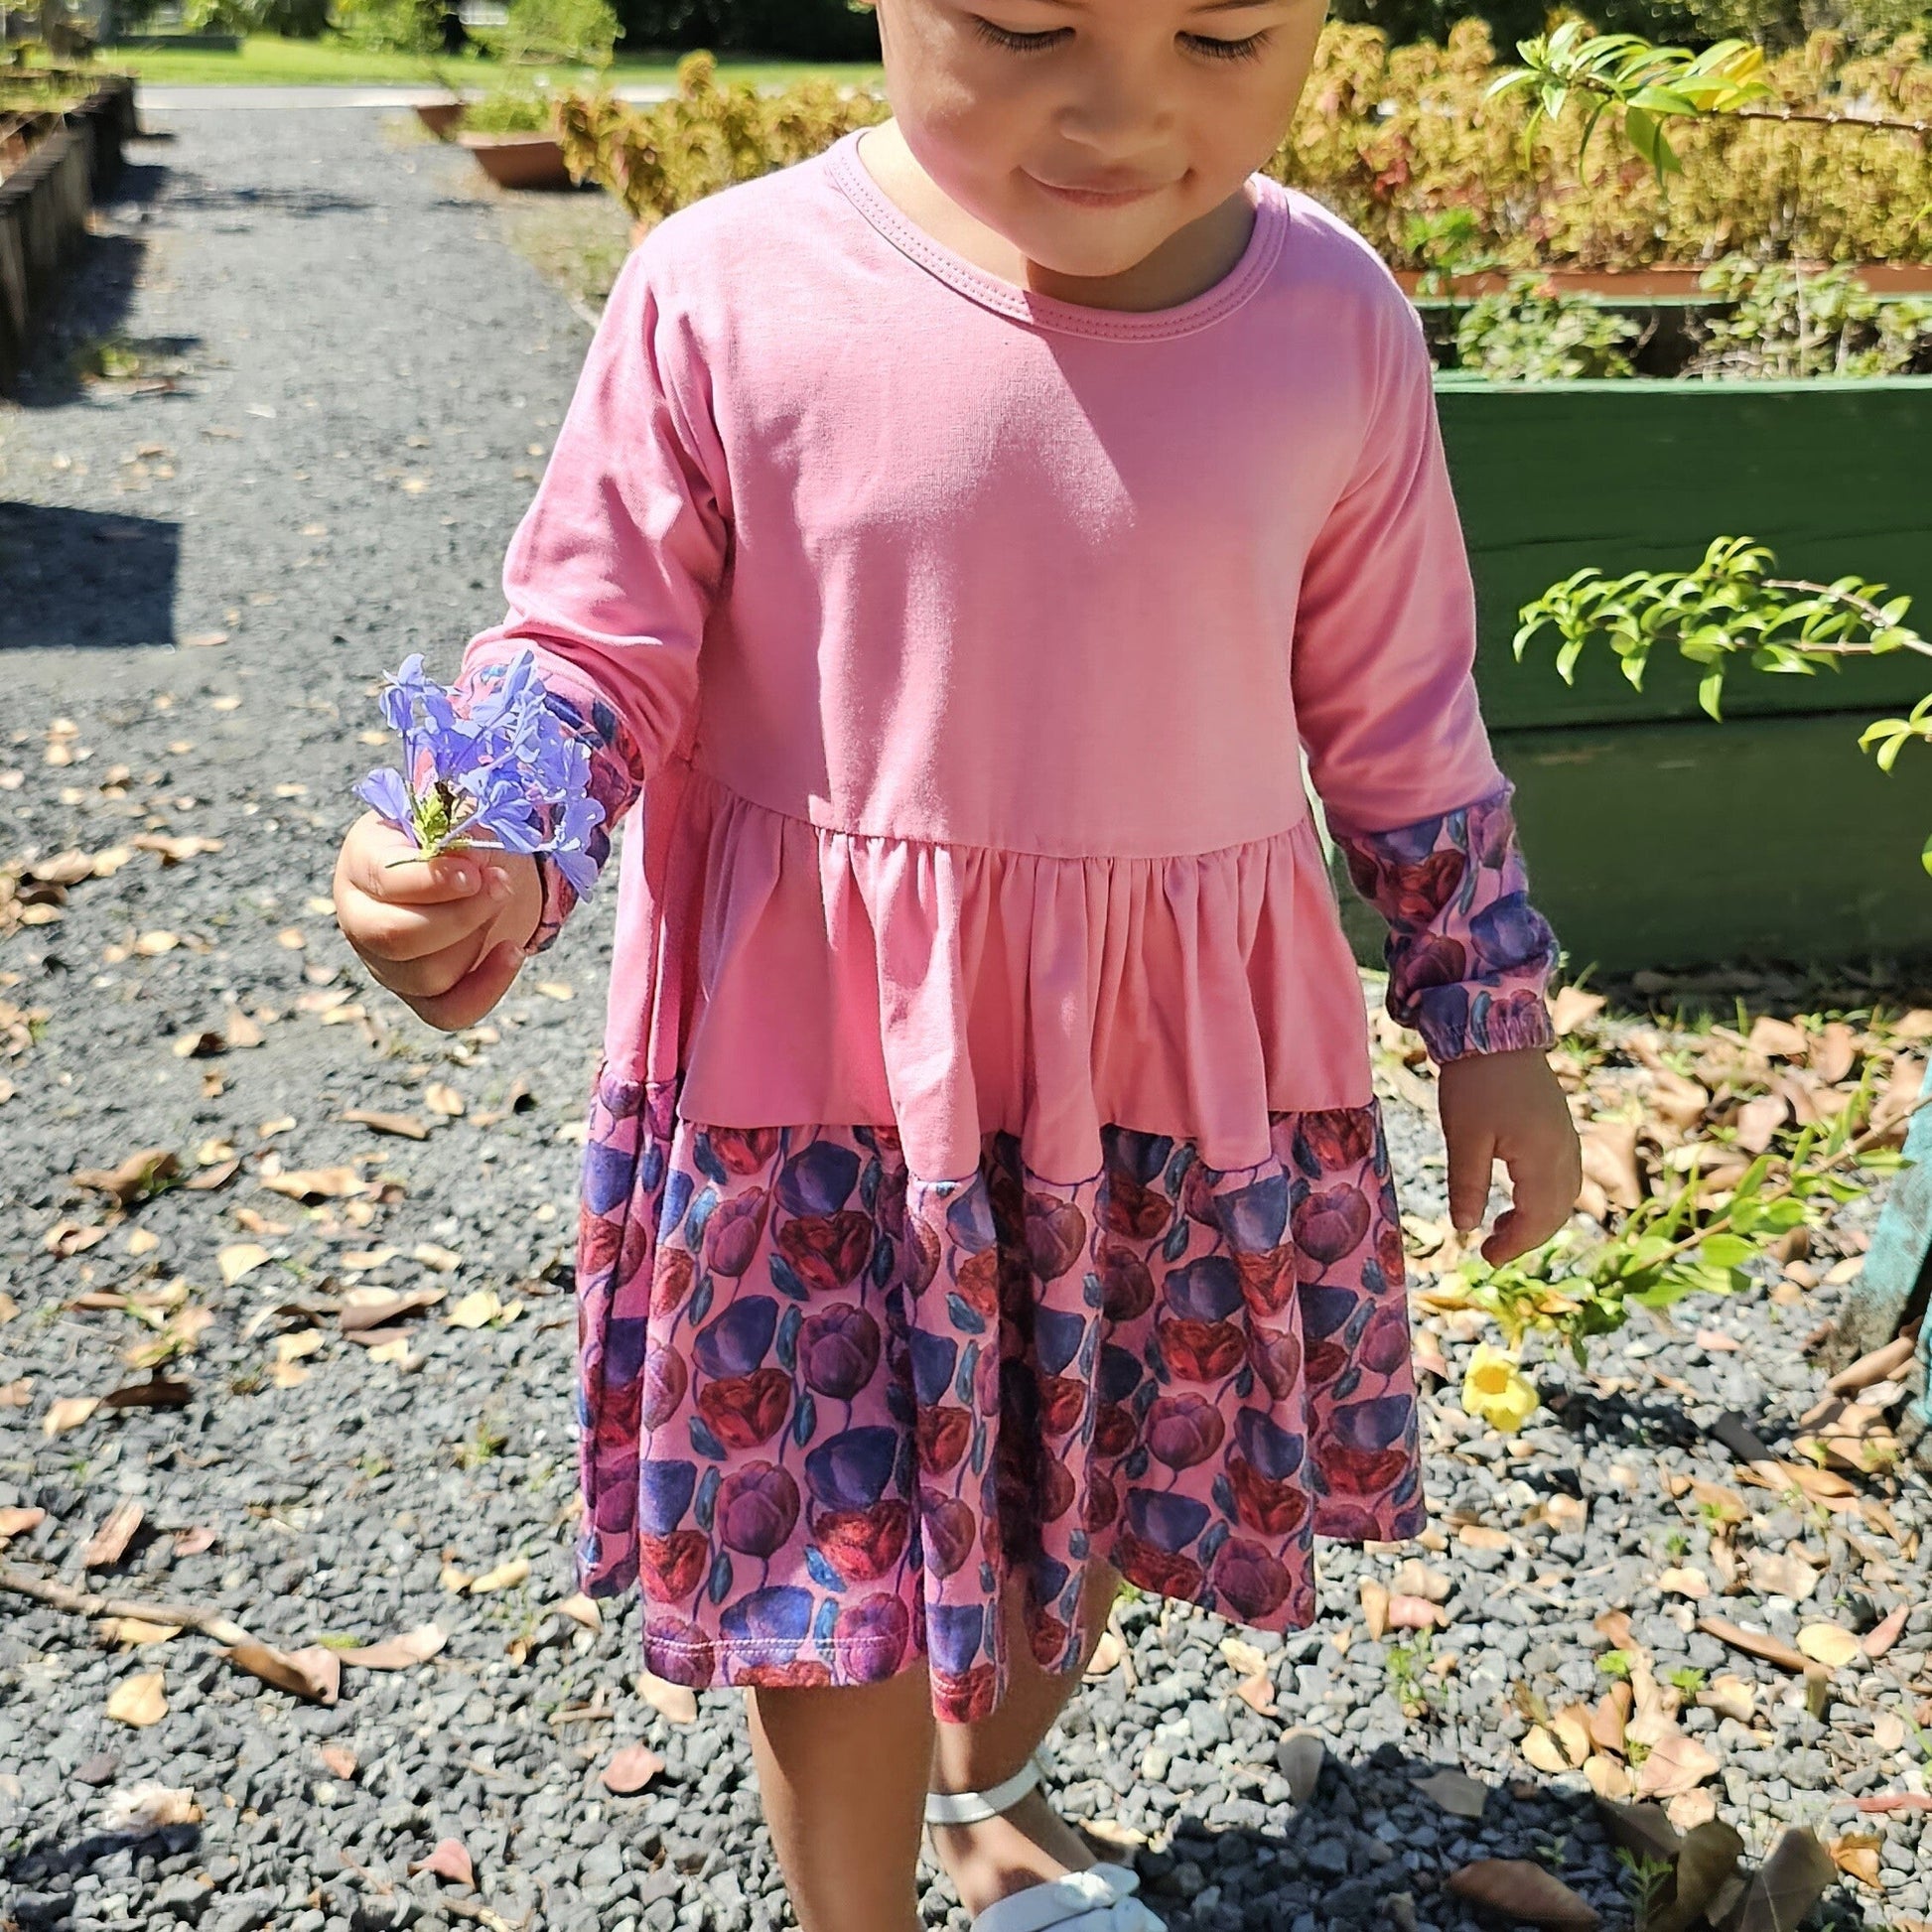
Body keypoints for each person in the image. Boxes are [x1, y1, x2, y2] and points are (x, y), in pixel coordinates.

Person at [332, 2, 1584, 1926]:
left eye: (1223, 32)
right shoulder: (730, 294)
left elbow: (1402, 717)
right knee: (823, 1567)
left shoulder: (1332, 323)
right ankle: (858, 1907)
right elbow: (591, 636)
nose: (1120, 100)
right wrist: (485, 824)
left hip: (1158, 1074)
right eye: (1020, 22)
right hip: (816, 1075)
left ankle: (991, 1789)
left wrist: (1485, 1018)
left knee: (1064, 1503)